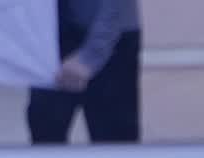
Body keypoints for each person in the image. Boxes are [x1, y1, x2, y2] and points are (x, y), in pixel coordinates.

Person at [28, 0, 142, 144]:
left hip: (108, 35)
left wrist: (92, 54)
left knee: (113, 143)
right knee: (45, 134)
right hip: (53, 35)